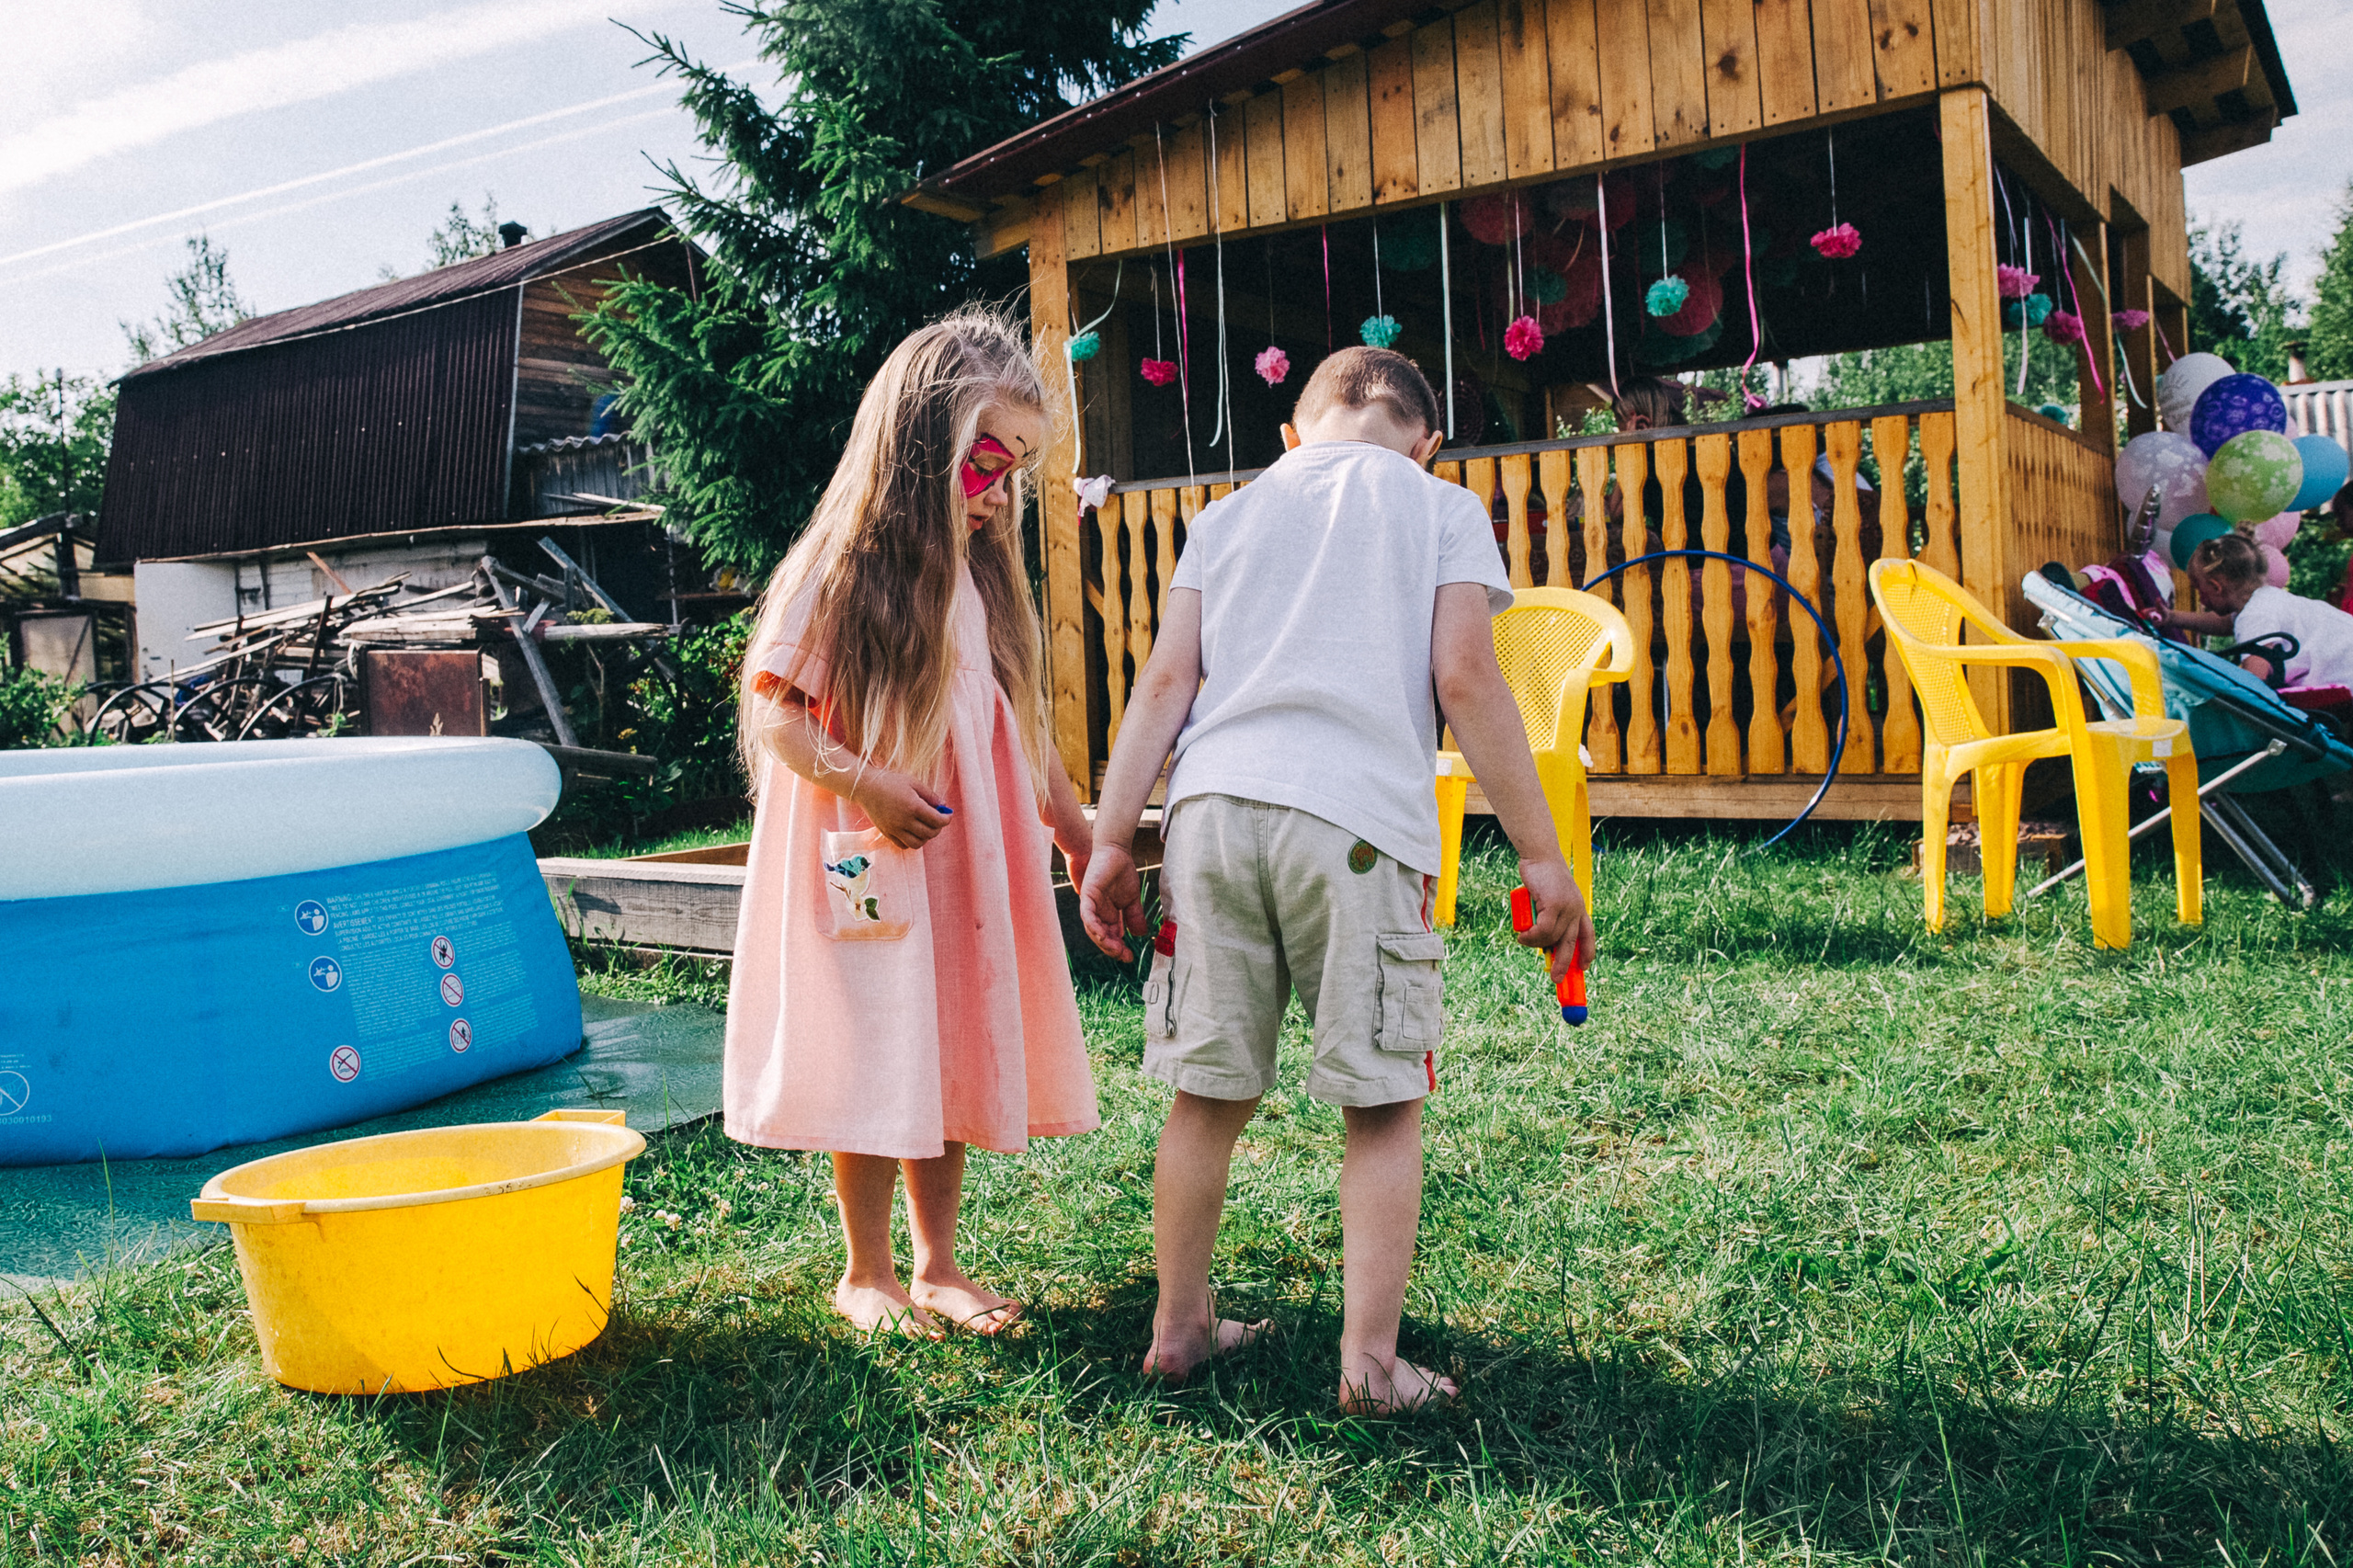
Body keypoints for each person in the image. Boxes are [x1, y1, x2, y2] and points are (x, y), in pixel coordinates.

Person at [1078, 347, 1595, 1415]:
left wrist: (1114, 838)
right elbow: (1465, 675)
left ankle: (1177, 1327)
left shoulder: (1226, 515)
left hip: (1210, 810)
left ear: (1292, 436)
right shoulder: (1440, 505)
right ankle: (1368, 1363)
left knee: (1207, 1088)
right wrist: (1541, 853)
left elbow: (1168, 679)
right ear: (1427, 441)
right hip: (1354, 821)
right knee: (1383, 1098)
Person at [724, 310, 1100, 1337]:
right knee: (874, 1038)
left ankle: (938, 1262)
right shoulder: (840, 571)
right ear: (922, 442)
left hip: (963, 869)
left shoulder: (982, 585)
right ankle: (867, 1269)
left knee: (946, 1035)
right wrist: (870, 781)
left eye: (1014, 469)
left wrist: (1075, 831)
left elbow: (1021, 731)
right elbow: (776, 712)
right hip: (869, 857)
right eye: (986, 460)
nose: (996, 491)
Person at [2165, 526, 2353, 687]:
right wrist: (2172, 618)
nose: (2200, 597)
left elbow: (2255, 679)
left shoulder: (2255, 615)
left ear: (2216, 587)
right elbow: (2223, 624)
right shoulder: (2266, 600)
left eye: (2199, 588)